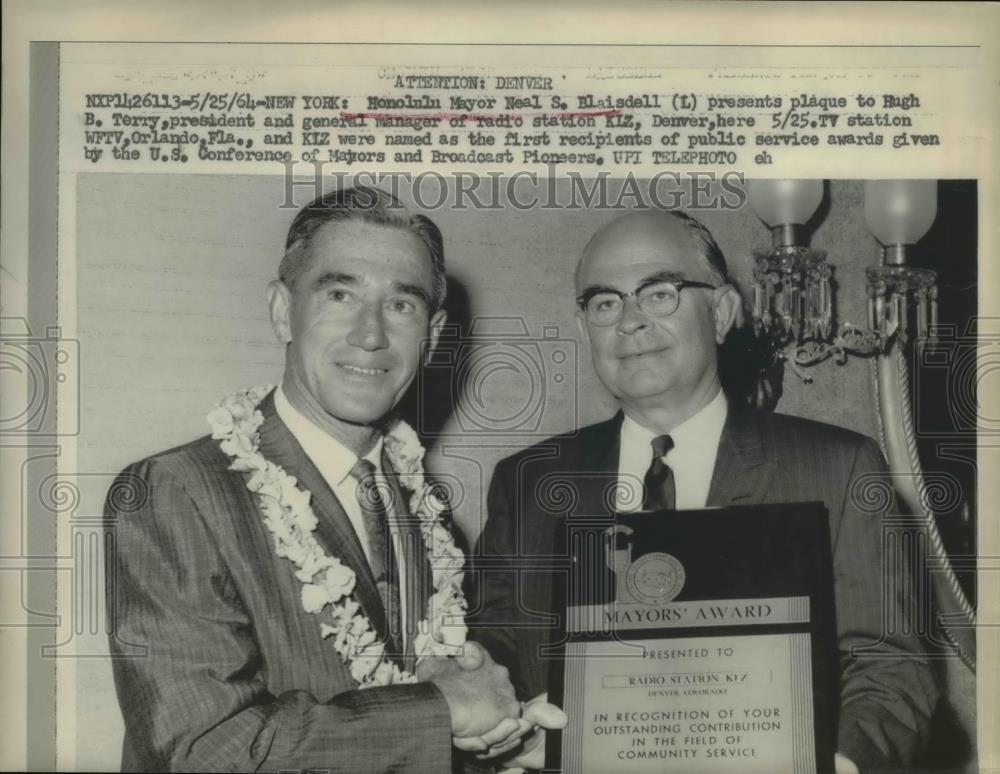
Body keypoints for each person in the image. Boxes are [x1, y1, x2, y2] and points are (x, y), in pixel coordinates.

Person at [104, 186, 560, 772]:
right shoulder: (173, 492)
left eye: (402, 305)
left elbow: (403, 714)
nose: (371, 334)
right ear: (281, 310)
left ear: (435, 335)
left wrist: (503, 739)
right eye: (340, 293)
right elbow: (205, 752)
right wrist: (441, 711)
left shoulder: (427, 513)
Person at [469, 209, 939, 773]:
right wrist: (497, 723)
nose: (630, 321)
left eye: (659, 293)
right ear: (583, 328)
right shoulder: (528, 481)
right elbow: (493, 653)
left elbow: (890, 669)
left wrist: (839, 764)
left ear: (722, 312)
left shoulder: (837, 467)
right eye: (605, 302)